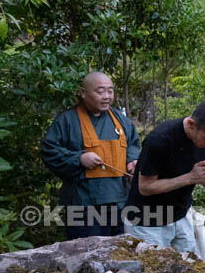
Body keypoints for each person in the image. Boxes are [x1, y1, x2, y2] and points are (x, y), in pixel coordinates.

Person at [41, 72, 141, 239]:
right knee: (86, 255)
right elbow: (49, 151)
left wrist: (132, 161)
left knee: (120, 253)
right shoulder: (67, 120)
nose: (107, 96)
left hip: (119, 201)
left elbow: (133, 144)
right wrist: (78, 158)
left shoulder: (120, 120)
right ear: (83, 92)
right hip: (83, 204)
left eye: (110, 91)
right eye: (100, 91)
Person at [123, 100, 205, 253]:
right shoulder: (160, 139)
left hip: (180, 214)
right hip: (146, 221)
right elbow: (145, 187)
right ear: (192, 124)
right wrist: (191, 178)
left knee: (190, 269)